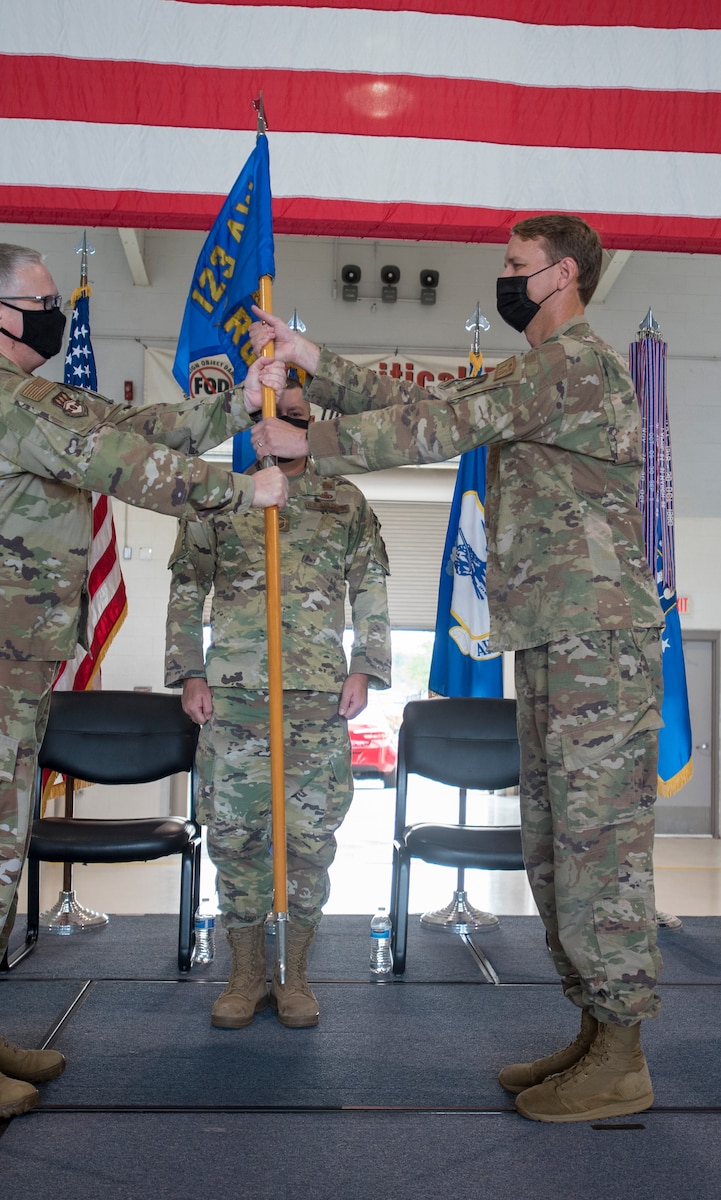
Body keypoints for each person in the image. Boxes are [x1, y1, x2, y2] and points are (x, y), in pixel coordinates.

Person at [249, 214, 665, 1124]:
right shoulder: (536, 372)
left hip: (599, 640)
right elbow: (437, 395)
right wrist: (314, 358)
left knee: (600, 854)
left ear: (560, 274)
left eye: (516, 266)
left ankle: (623, 1055)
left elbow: (439, 421)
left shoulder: (575, 365)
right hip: (563, 636)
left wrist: (305, 442)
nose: (503, 278)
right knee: (557, 847)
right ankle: (595, 1034)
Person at [0, 242, 289, 1120]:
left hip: (1, 666)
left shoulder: (29, 396)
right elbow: (123, 466)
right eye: (39, 301)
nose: (54, 313)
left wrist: (236, 404)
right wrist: (239, 492)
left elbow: (140, 431)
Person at [165, 375, 391, 1030]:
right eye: (271, 411)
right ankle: (245, 973)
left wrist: (365, 668)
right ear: (251, 423)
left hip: (317, 698)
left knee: (309, 838)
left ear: (309, 419)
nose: (284, 419)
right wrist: (189, 672)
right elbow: (187, 587)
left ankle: (293, 976)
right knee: (235, 836)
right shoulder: (219, 495)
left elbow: (370, 586)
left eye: (295, 411)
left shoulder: (343, 500)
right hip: (233, 697)